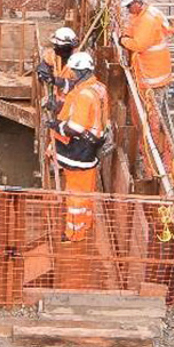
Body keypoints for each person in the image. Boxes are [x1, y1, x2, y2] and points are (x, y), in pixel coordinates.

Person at [48, 51, 110, 242]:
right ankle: (86, 223)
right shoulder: (98, 87)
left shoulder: (84, 94)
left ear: (82, 71)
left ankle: (74, 233)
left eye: (74, 72)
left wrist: (54, 125)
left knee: (75, 195)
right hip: (91, 147)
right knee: (87, 190)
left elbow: (75, 127)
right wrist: (59, 107)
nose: (72, 75)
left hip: (78, 150)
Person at [118, 0, 173, 103]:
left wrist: (123, 41)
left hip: (153, 76)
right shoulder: (142, 14)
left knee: (152, 112)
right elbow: (132, 27)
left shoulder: (147, 20)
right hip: (151, 71)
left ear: (136, 2)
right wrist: (127, 34)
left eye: (128, 6)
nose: (128, 9)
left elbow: (139, 45)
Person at [37, 26, 79, 96]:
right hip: (57, 97)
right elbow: (44, 64)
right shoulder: (53, 55)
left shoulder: (79, 61)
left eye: (58, 46)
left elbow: (81, 85)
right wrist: (42, 71)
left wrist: (63, 83)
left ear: (66, 47)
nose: (55, 48)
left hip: (71, 100)